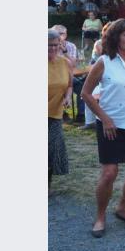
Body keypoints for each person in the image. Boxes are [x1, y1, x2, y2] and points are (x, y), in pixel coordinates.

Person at [80, 19, 125, 238]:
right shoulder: (104, 61)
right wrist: (104, 118)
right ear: (116, 37)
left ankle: (122, 208)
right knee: (109, 173)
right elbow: (85, 93)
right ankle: (100, 216)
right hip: (111, 125)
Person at [48, 29, 72, 190]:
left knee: (52, 148)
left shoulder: (65, 62)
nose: (53, 49)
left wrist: (68, 97)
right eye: (49, 46)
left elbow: (69, 85)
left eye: (56, 45)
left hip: (55, 113)